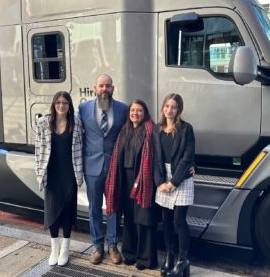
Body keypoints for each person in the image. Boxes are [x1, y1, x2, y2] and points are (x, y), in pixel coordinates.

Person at [79, 74, 128, 265]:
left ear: (113, 88)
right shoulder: (83, 108)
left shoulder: (123, 109)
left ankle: (113, 245)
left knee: (113, 208)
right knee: (94, 209)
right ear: (95, 88)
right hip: (92, 167)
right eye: (101, 86)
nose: (104, 89)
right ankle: (97, 246)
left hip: (115, 167)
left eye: (108, 86)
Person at [105, 100, 160, 270]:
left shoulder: (151, 130)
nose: (135, 113)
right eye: (133, 110)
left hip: (144, 181)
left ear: (145, 113)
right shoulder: (124, 131)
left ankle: (145, 259)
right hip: (125, 180)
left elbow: (159, 155)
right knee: (128, 219)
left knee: (143, 220)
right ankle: (129, 254)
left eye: (139, 110)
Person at [35, 91, 84, 266]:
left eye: (65, 103)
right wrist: (38, 170)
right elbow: (38, 149)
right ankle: (54, 248)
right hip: (51, 173)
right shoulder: (43, 123)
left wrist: (80, 172)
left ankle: (65, 249)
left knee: (67, 212)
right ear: (54, 104)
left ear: (69, 105)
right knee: (52, 211)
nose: (61, 105)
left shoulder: (76, 123)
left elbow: (81, 148)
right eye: (58, 102)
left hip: (69, 173)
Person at [154, 93, 195, 277]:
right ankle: (169, 256)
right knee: (167, 221)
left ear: (179, 110)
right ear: (163, 107)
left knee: (179, 221)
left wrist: (174, 182)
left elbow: (187, 158)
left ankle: (182, 260)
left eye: (174, 107)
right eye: (167, 106)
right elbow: (155, 159)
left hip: (182, 177)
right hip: (163, 178)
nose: (170, 109)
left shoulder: (186, 129)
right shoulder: (157, 129)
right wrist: (160, 182)